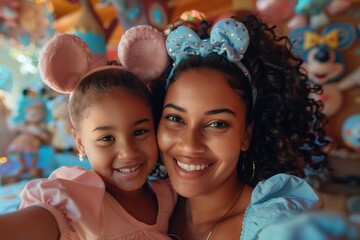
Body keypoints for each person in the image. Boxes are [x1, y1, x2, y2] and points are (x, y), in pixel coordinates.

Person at [153, 14, 359, 239]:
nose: (190, 144)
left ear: (246, 135)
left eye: (217, 124)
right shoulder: (148, 203)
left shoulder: (272, 225)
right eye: (175, 118)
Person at [0, 30, 176, 239]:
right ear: (80, 143)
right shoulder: (77, 203)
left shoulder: (168, 194)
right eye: (107, 138)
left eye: (139, 132)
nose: (128, 152)